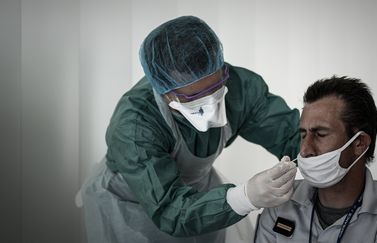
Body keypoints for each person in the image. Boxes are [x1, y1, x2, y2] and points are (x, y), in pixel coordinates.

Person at [80, 15, 299, 243]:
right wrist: (244, 198)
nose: (212, 103)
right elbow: (170, 210)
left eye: (216, 86)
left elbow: (292, 133)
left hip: (198, 192)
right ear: (165, 92)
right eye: (193, 97)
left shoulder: (240, 88)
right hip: (133, 205)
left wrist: (321, 165)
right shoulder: (135, 126)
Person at [255, 76, 377, 243]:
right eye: (303, 135)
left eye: (320, 134)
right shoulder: (280, 205)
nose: (305, 150)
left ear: (359, 143)